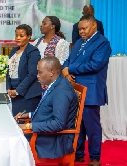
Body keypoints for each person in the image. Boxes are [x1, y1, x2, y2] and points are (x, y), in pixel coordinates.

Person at [63, 14, 111, 166]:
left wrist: (70, 69)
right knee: (78, 125)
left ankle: (95, 158)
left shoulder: (102, 43)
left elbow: (94, 65)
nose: (82, 32)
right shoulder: (79, 42)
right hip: (76, 89)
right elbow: (69, 60)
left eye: (84, 28)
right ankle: (79, 154)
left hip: (91, 91)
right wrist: (65, 69)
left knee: (92, 126)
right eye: (80, 29)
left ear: (94, 26)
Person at [16, 56, 78, 159]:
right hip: (44, 134)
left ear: (51, 72)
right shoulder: (56, 84)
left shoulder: (62, 91)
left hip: (52, 142)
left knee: (11, 147)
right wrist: (28, 115)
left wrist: (28, 126)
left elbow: (58, 124)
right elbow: (48, 111)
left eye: (40, 72)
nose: (37, 76)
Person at [6, 24, 42, 117]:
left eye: (21, 36)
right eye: (16, 35)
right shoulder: (14, 51)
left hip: (28, 95)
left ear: (29, 37)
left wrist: (18, 90)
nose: (18, 38)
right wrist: (9, 88)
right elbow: (9, 70)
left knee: (23, 124)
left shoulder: (33, 51)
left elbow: (32, 74)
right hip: (14, 93)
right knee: (16, 120)